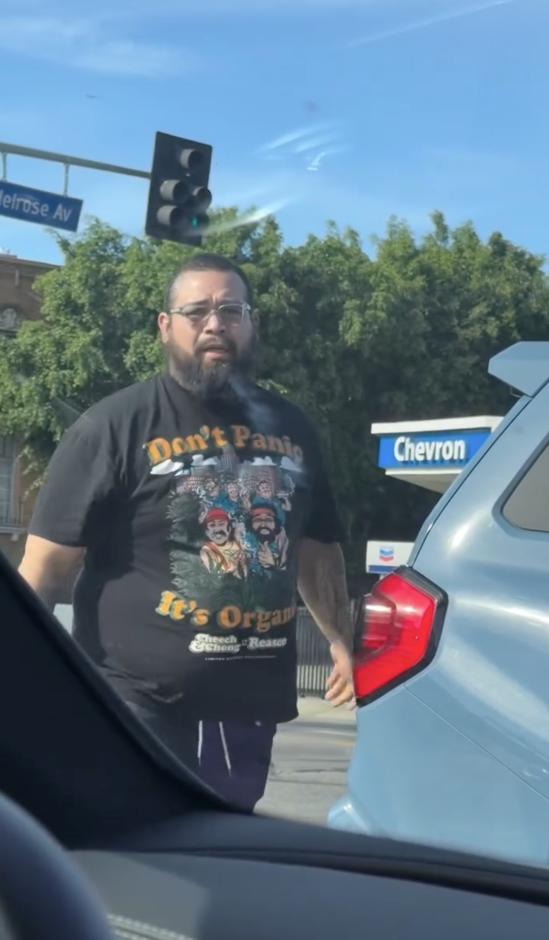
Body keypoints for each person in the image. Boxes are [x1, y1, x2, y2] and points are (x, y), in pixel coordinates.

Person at [18, 253, 354, 811]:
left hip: (249, 707)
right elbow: (43, 571)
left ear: (251, 324)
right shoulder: (111, 427)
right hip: (135, 703)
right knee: (140, 860)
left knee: (221, 856)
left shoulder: (293, 428)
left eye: (230, 309)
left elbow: (316, 550)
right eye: (196, 310)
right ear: (165, 325)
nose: (215, 323)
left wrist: (339, 639)